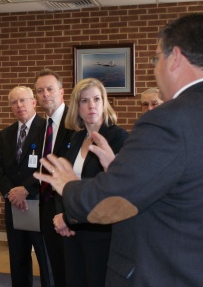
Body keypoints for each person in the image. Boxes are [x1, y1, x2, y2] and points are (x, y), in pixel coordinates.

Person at [35, 13, 203, 286]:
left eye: (155, 59)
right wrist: (115, 168)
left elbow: (113, 199)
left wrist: (68, 184)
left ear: (174, 57)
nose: (155, 69)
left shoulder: (169, 120)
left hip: (167, 271)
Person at [53, 78, 128, 287]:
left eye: (96, 99)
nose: (91, 105)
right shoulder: (77, 138)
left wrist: (68, 218)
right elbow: (65, 183)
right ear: (77, 107)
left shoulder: (118, 137)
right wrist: (61, 216)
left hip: (100, 232)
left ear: (104, 102)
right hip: (73, 232)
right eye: (84, 101)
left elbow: (108, 190)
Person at [0, 86, 53, 287]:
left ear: (33, 102)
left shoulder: (47, 129)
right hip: (14, 205)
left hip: (40, 204)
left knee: (46, 261)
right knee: (18, 259)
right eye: (14, 102)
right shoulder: (6, 134)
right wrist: (11, 193)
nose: (19, 106)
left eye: (23, 100)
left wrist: (26, 189)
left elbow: (50, 165)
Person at [35, 68, 73, 287]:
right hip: (46, 206)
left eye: (50, 89)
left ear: (61, 92)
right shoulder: (42, 127)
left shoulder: (74, 124)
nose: (45, 94)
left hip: (68, 208)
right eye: (40, 91)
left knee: (71, 268)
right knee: (54, 265)